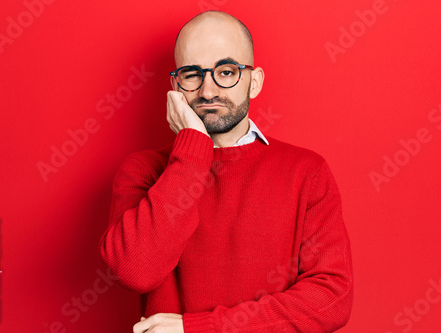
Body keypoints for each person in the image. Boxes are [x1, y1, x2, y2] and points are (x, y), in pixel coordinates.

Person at [99, 10, 353, 333]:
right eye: (192, 74)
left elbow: (332, 299)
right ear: (175, 86)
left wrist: (201, 329)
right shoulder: (143, 171)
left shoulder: (307, 172)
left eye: (227, 71)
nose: (208, 91)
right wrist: (192, 153)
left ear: (254, 81)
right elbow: (135, 270)